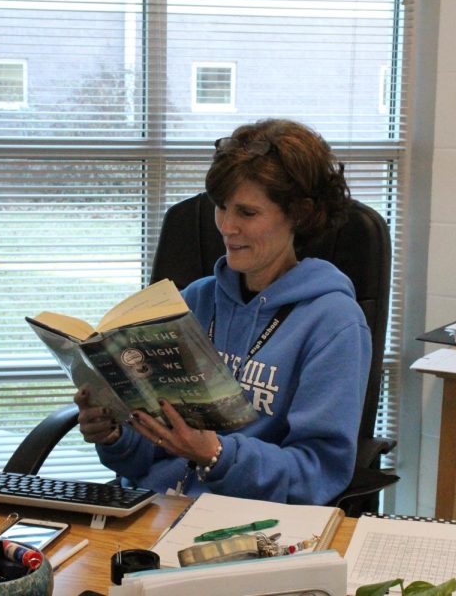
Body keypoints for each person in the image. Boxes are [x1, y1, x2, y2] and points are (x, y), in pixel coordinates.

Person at [75, 118, 372, 505]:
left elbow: (317, 473)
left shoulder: (333, 323)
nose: (227, 226)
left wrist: (215, 454)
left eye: (247, 213)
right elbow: (148, 454)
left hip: (248, 524)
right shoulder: (195, 301)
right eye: (221, 207)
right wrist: (117, 436)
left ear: (298, 214)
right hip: (152, 508)